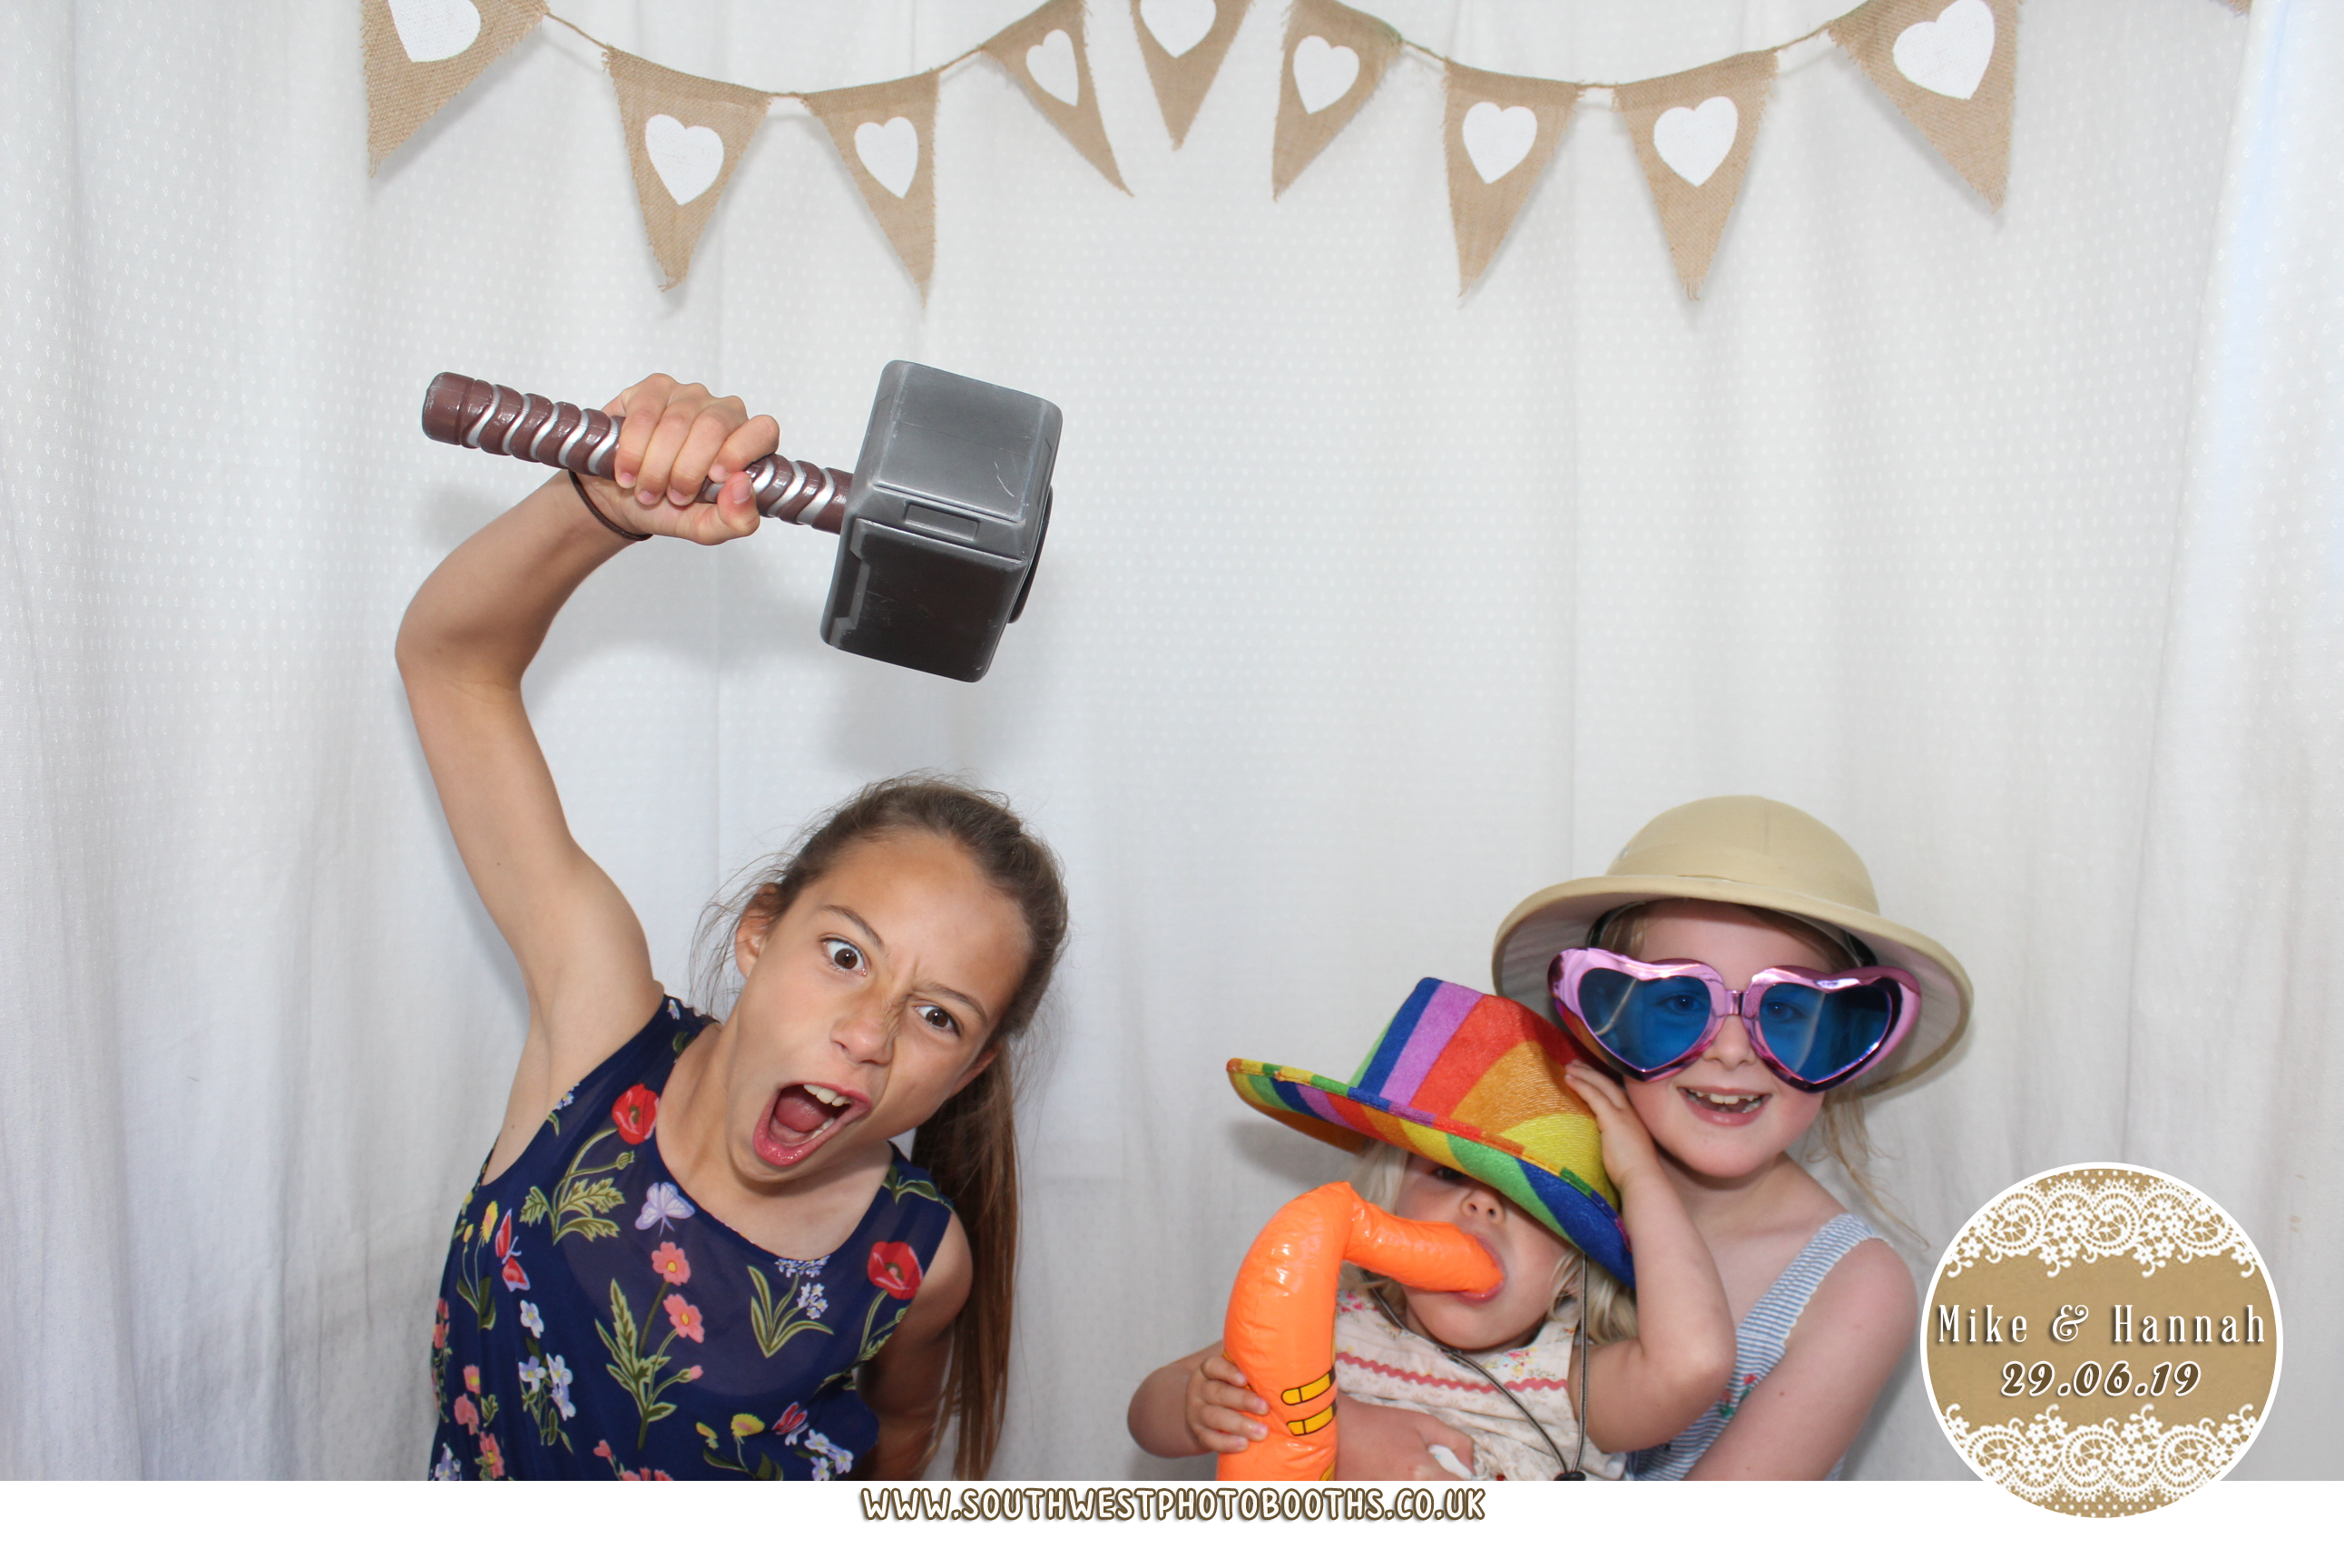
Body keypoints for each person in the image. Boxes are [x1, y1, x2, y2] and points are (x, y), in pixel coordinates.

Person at [397, 375, 1067, 1480]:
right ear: (762, 931)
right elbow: (452, 666)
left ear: (971, 1069)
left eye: (938, 1014)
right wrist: (600, 506)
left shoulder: (916, 1261)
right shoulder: (595, 1034)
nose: (870, 1032)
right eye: (846, 954)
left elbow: (902, 1443)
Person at [1486, 795, 1973, 1479]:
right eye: (1681, 1002)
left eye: (1788, 1009)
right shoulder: (1523, 1186)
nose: (1734, 1051)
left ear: (1843, 1041)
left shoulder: (1854, 1290)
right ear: (1604, 1020)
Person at [1126, 980, 1733, 1479]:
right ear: (1384, 1211)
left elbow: (1696, 1362)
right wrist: (1192, 1407)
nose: (1480, 1209)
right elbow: (1148, 1410)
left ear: (1570, 1274)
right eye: (1445, 1174)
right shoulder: (1330, 1327)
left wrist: (1640, 1177)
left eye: (1524, 1204)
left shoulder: (1571, 1384)